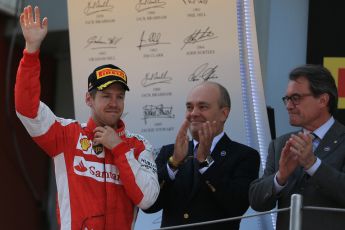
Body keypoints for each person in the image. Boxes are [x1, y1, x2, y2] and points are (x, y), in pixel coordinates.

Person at [15, 5, 159, 230]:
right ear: (88, 100)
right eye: (105, 96)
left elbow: (147, 198)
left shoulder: (139, 146)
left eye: (119, 96)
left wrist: (119, 148)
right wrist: (31, 52)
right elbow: (27, 109)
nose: (114, 103)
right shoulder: (67, 135)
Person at [143, 81, 260, 229]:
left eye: (203, 107)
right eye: (189, 107)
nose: (194, 113)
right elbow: (148, 206)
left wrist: (206, 162)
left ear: (224, 113)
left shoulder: (244, 156)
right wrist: (173, 164)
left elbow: (237, 206)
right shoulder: (169, 153)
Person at [249, 64, 345, 230]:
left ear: (323, 100)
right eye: (287, 99)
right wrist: (280, 177)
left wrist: (312, 165)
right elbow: (257, 201)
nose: (288, 106)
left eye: (296, 98)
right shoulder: (280, 144)